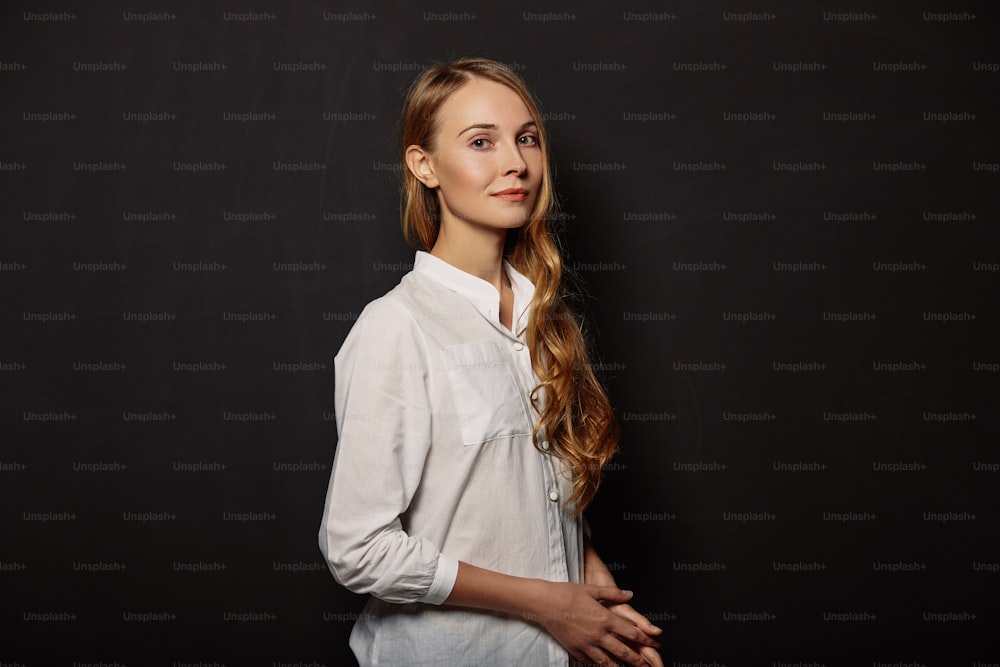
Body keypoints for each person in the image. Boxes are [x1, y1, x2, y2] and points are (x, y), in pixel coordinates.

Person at [318, 56, 662, 667]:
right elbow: (358, 549)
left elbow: (523, 497)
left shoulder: (541, 316)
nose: (516, 163)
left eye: (526, 138)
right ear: (423, 165)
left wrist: (595, 597)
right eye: (482, 141)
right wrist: (548, 604)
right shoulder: (396, 327)